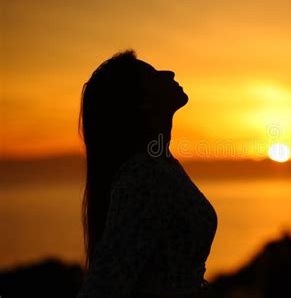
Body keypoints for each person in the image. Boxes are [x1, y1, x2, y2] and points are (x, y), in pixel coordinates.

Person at [76, 50, 218, 298]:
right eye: (153, 74)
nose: (169, 72)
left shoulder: (159, 164)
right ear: (141, 101)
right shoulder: (144, 176)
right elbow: (105, 285)